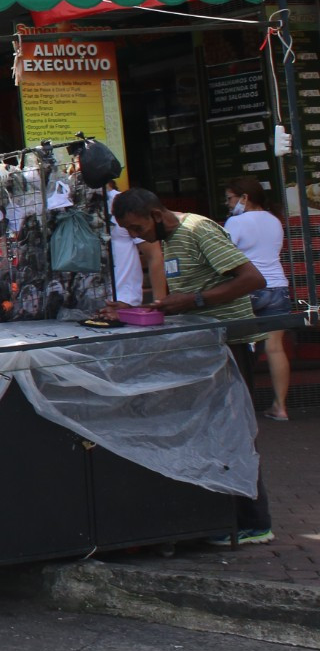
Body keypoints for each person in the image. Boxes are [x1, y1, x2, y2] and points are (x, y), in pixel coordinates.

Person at [108, 186, 271, 543]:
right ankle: (224, 515)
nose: (136, 238)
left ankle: (255, 522)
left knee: (235, 429)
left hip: (230, 343)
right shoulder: (167, 240)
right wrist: (148, 308)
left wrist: (194, 301)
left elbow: (252, 279)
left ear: (154, 215)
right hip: (204, 346)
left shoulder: (198, 229)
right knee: (212, 429)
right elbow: (185, 295)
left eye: (137, 228)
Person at [224, 175, 292, 422]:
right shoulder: (275, 220)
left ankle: (240, 407)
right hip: (278, 288)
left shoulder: (236, 222)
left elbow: (226, 256)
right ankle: (280, 407)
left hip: (247, 289)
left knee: (238, 348)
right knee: (275, 348)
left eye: (230, 199)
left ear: (244, 197)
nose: (228, 204)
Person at [106, 180, 165, 308]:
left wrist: (160, 304)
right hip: (86, 303)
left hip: (124, 300)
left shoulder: (124, 206)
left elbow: (154, 255)